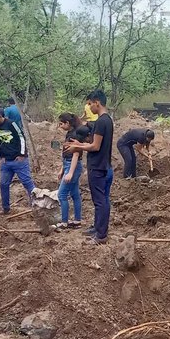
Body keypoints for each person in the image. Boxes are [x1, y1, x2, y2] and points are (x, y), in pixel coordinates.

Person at [67, 90, 114, 245]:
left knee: (100, 201)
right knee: (103, 200)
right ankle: (98, 227)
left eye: (90, 104)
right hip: (105, 165)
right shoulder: (108, 120)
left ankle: (101, 235)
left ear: (97, 103)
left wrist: (78, 148)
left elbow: (95, 146)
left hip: (98, 166)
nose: (89, 107)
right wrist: (79, 144)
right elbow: (95, 144)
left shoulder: (101, 121)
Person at [0, 108, 35, 213]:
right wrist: (0, 155)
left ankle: (36, 205)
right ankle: (6, 208)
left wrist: (22, 154)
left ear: (0, 116)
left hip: (19, 160)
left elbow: (22, 137)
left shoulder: (11, 124)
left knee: (27, 183)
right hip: (6, 162)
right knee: (3, 184)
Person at [56, 113, 87, 228]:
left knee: (62, 194)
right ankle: (77, 221)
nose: (60, 126)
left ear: (67, 123)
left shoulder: (75, 135)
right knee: (74, 194)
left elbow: (75, 155)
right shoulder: (69, 133)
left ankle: (64, 222)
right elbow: (66, 155)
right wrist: (62, 170)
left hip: (73, 166)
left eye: (61, 123)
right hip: (68, 165)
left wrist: (70, 172)